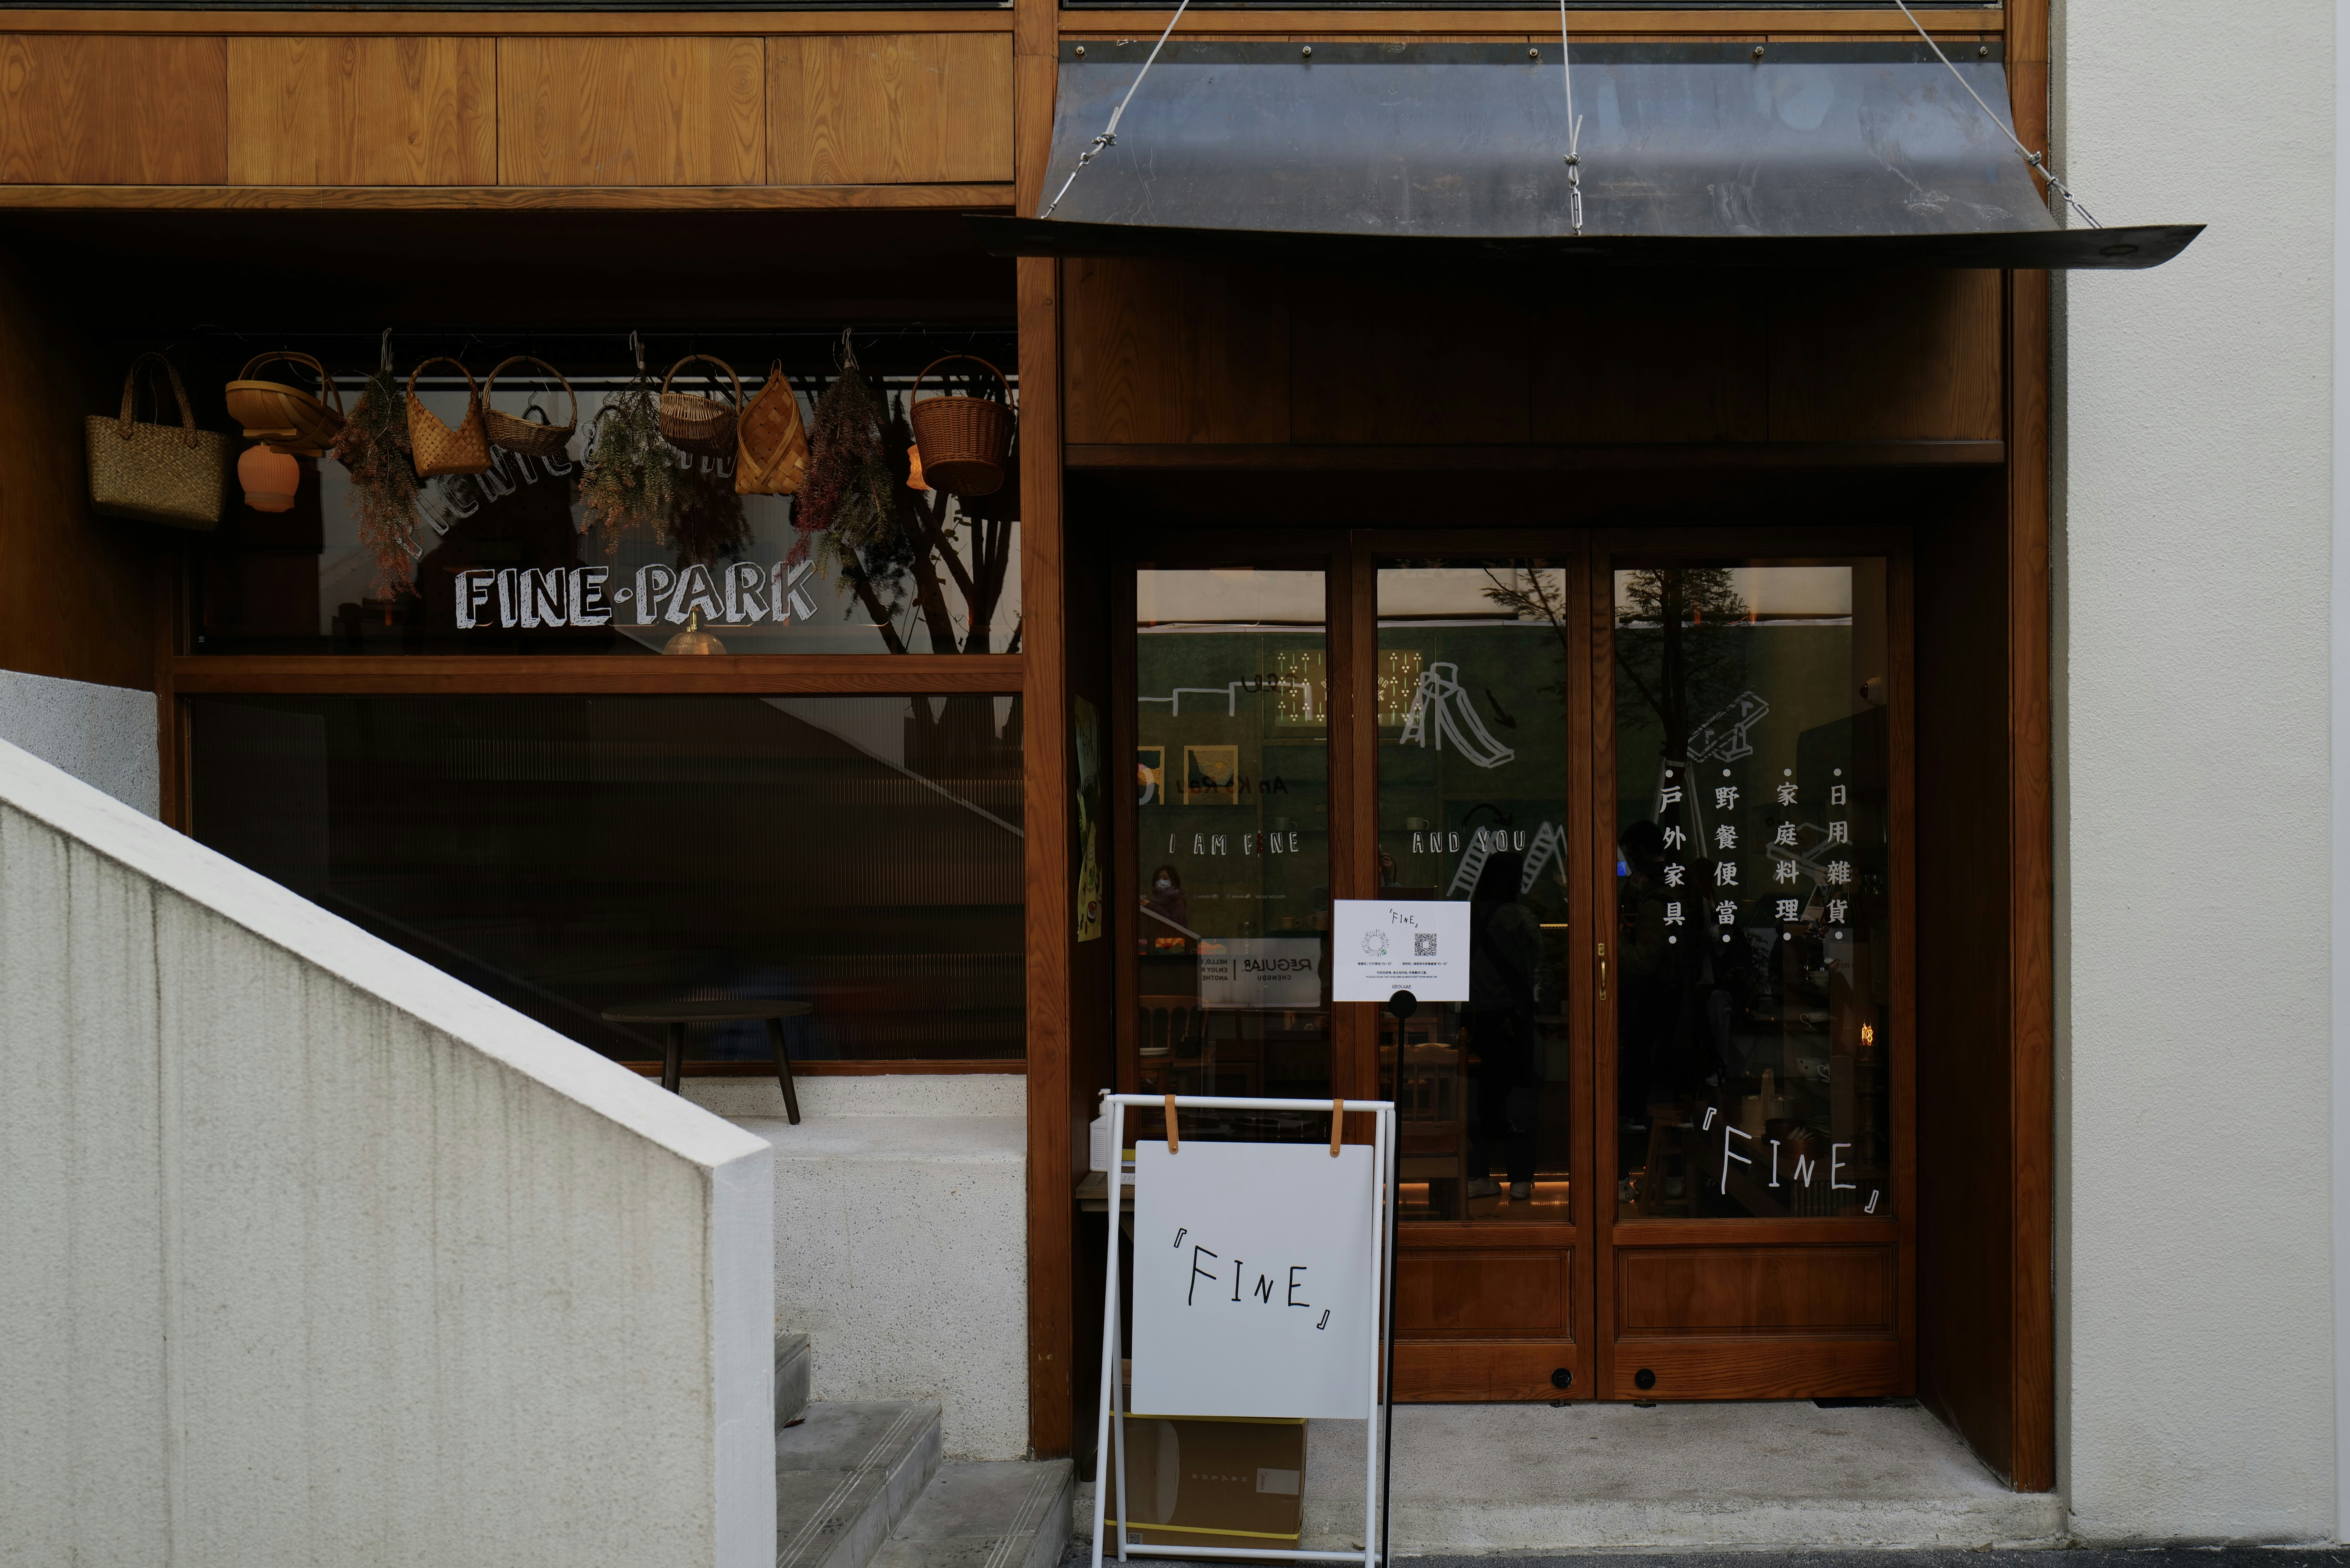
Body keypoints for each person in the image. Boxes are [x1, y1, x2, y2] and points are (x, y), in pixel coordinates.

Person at [1462, 850, 1543, 1202]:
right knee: (1520, 1100)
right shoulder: (1521, 918)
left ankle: (1478, 1174)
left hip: (1475, 1021)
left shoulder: (1467, 917)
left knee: (1480, 1100)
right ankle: (1521, 1180)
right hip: (1515, 1021)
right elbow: (1540, 971)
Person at [1142, 864, 1189, 932]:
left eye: (1165, 879)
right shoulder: (1156, 897)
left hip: (1176, 939)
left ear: (1173, 880)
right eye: (1158, 879)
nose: (1161, 881)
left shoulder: (1178, 899)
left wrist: (1151, 906)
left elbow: (1174, 921)